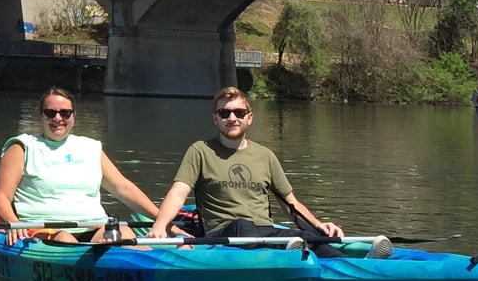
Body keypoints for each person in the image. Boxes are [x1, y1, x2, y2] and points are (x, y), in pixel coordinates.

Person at [147, 86, 345, 244]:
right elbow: (178, 193)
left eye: (239, 113)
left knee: (312, 240)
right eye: (224, 113)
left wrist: (319, 227)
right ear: (215, 119)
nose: (232, 118)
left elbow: (291, 204)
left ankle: (365, 265)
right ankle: (286, 253)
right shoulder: (200, 151)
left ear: (249, 118)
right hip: (223, 234)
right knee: (243, 226)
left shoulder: (266, 155)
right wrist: (160, 225)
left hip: (264, 231)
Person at [0, 87, 161, 243]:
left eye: (65, 113)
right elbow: (2, 197)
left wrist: (164, 220)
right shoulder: (22, 147)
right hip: (45, 230)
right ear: (41, 115)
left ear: (73, 116)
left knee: (125, 233)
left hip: (95, 227)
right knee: (65, 239)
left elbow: (123, 188)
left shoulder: (90, 147)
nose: (58, 118)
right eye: (50, 113)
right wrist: (12, 224)